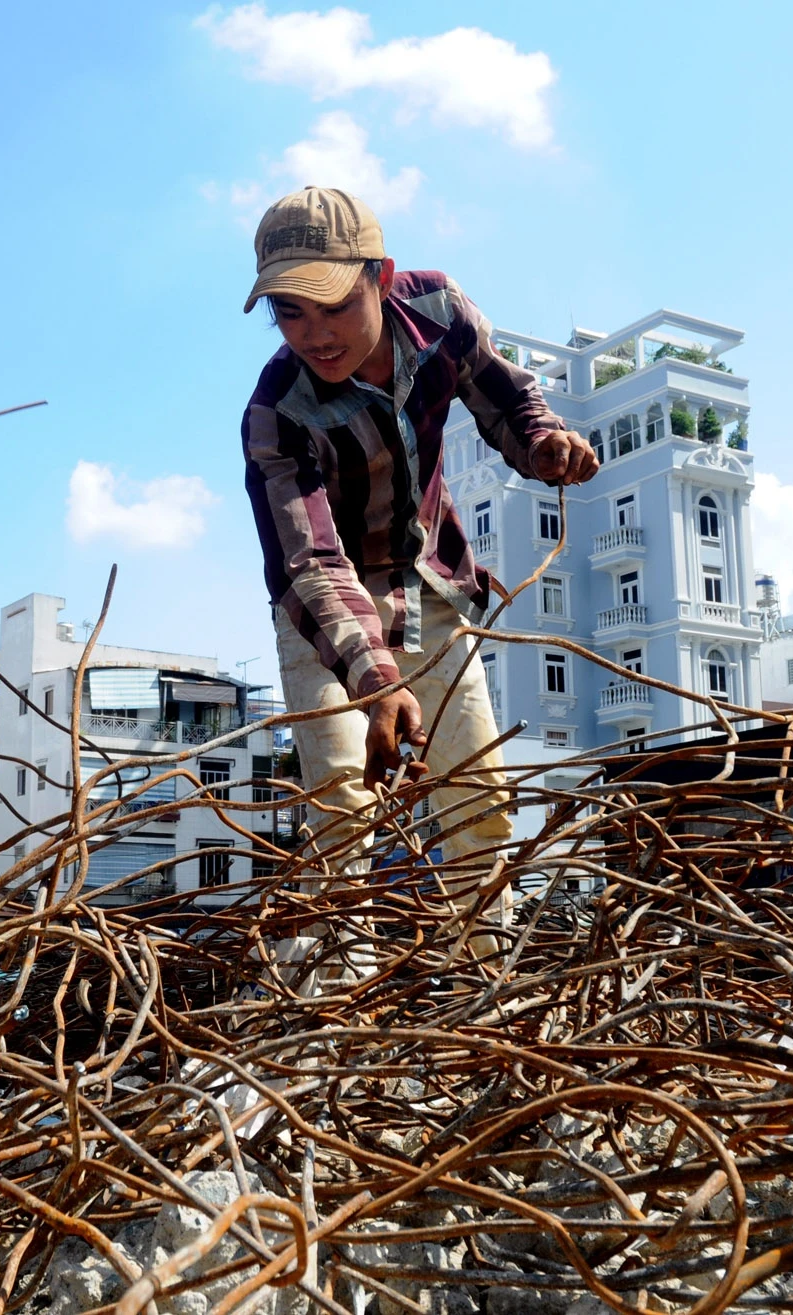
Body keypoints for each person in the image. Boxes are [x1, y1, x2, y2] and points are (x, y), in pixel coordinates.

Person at [238, 187, 598, 961]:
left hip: (431, 586)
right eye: (290, 313)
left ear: (380, 275)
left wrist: (540, 444)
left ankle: (483, 989)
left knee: (480, 801)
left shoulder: (439, 309)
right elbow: (309, 561)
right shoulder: (277, 412)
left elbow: (504, 394)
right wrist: (372, 678)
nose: (315, 334)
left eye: (331, 305)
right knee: (341, 811)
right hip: (325, 614)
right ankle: (340, 1011)